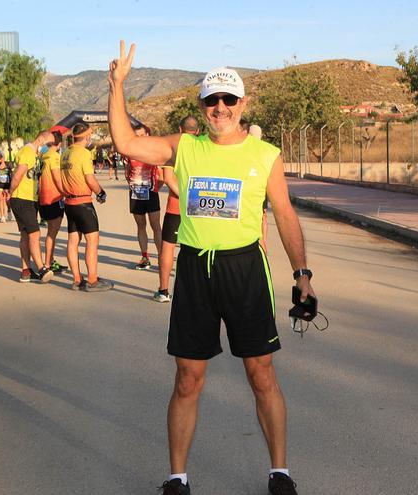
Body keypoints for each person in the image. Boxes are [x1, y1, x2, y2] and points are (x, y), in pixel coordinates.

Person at [109, 42, 314, 495]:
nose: (219, 108)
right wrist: (118, 86)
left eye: (228, 100)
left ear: (243, 104)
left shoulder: (265, 155)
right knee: (188, 378)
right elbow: (125, 142)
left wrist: (302, 273)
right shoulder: (185, 147)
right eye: (211, 100)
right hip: (196, 270)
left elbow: (284, 215)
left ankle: (279, 472)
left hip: (244, 269)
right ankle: (176, 478)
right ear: (201, 106)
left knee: (262, 373)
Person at [54, 123, 113, 291]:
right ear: (87, 137)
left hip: (69, 203)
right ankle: (92, 280)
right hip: (83, 202)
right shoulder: (84, 154)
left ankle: (77, 279)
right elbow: (89, 179)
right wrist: (100, 193)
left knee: (73, 241)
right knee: (92, 241)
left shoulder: (65, 153)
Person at [154, 116, 199, 303]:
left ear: (180, 130)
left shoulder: (172, 149)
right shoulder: (203, 148)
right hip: (198, 207)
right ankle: (197, 291)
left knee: (168, 247)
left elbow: (169, 179)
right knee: (197, 249)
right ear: (197, 131)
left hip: (176, 207)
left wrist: (184, 195)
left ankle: (163, 291)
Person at [9, 131, 55, 284]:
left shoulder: (34, 154)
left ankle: (26, 272)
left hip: (29, 199)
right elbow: (17, 175)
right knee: (35, 235)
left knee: (25, 235)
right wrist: (10, 193)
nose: (49, 147)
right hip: (22, 199)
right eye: (48, 144)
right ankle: (41, 269)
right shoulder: (27, 152)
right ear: (40, 139)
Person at [125, 124, 163, 270]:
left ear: (148, 134)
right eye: (137, 135)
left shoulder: (154, 152)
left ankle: (161, 256)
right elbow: (128, 172)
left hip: (151, 193)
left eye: (142, 135)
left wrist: (154, 190)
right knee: (141, 225)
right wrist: (132, 185)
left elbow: (163, 176)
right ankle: (145, 257)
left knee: (155, 226)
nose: (140, 138)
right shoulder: (130, 152)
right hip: (136, 193)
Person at [39, 132, 67, 274]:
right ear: (59, 143)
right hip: (53, 198)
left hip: (42, 197)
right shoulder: (55, 157)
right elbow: (57, 179)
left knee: (51, 232)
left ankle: (50, 260)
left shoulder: (42, 156)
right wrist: (66, 193)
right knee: (52, 233)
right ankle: (48, 263)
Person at [246, 123, 269, 253]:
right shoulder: (264, 149)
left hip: (252, 186)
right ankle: (262, 241)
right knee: (263, 215)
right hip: (262, 185)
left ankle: (258, 240)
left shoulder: (246, 148)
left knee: (255, 214)